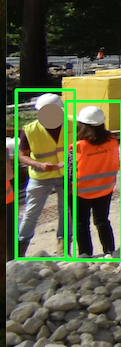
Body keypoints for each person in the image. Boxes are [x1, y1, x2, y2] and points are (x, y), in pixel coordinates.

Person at [16, 94, 69, 258]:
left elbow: (80, 148)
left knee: (66, 211)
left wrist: (68, 163)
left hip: (65, 175)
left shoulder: (72, 124)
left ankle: (63, 248)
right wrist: (39, 165)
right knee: (31, 213)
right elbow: (21, 155)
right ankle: (19, 248)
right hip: (40, 176)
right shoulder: (30, 130)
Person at [72, 106, 121, 259]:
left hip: (81, 192)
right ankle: (109, 252)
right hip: (105, 188)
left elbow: (69, 171)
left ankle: (85, 255)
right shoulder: (113, 141)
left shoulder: (78, 147)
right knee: (102, 221)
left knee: (81, 224)